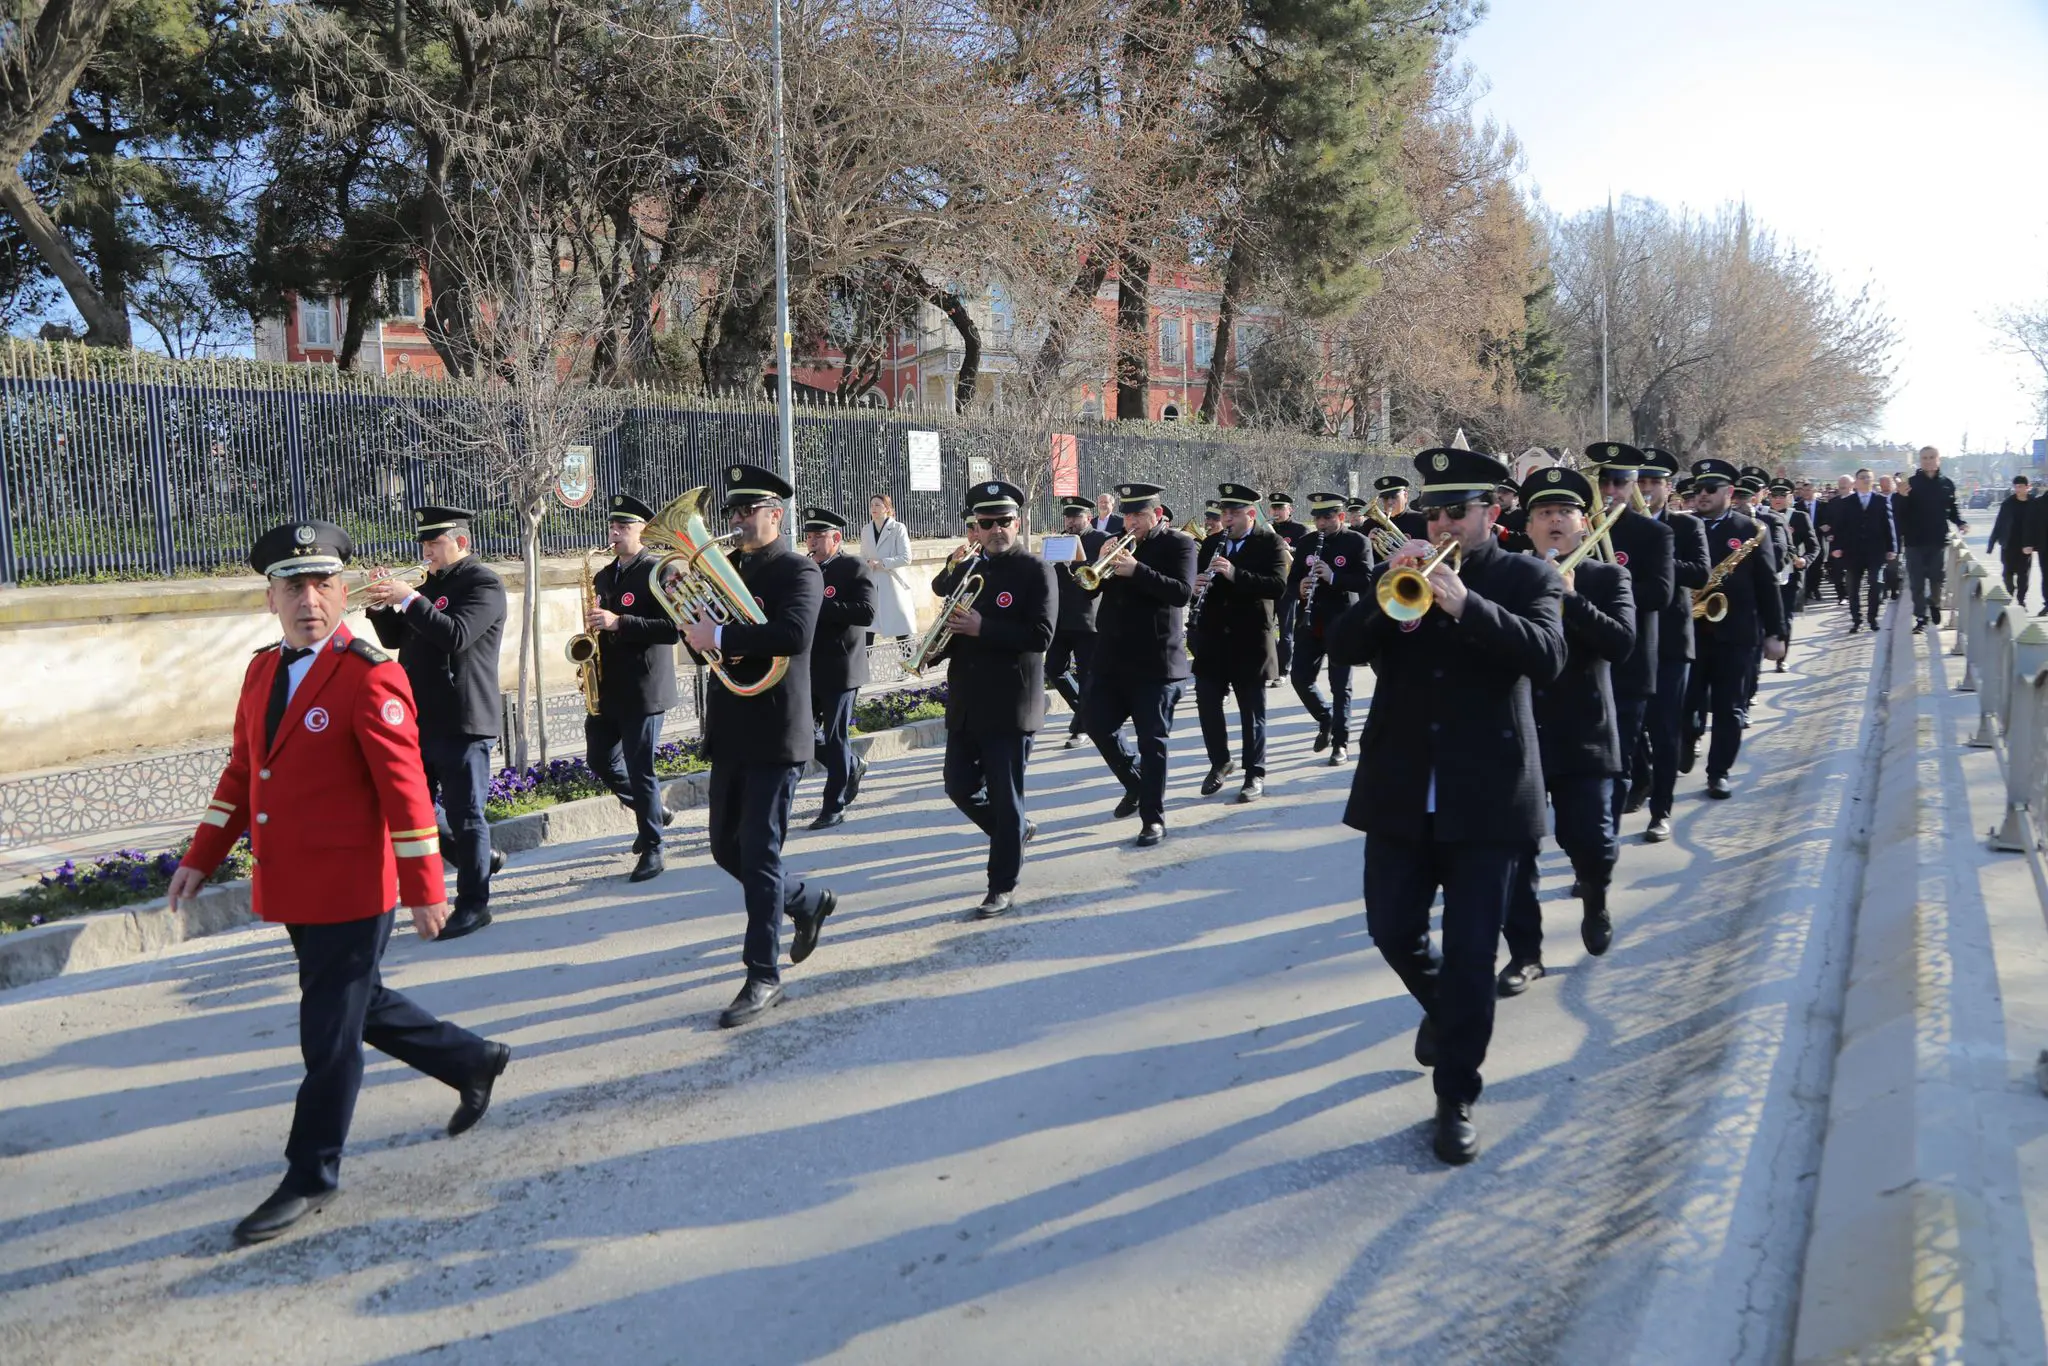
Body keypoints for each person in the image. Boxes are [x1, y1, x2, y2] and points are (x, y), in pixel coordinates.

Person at [168, 519, 508, 1245]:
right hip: (295, 884)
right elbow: (241, 772)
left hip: (356, 888)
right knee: (360, 1004)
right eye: (293, 586)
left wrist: (425, 888)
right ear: (271, 599)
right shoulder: (263, 671)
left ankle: (310, 1172)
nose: (309, 600)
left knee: (328, 1036)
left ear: (343, 592)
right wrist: (203, 854)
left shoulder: (367, 673)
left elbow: (406, 790)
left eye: (323, 584)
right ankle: (471, 1058)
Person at [1326, 446, 1566, 1166]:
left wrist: (1467, 604)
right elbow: (1340, 645)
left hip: (1488, 799)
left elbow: (1548, 656)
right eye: (1433, 512)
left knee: (1470, 957)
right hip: (1400, 791)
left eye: (1456, 512)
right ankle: (1446, 1011)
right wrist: (1385, 593)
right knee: (1392, 930)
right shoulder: (1400, 574)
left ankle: (1456, 1092)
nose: (1442, 524)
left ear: (1491, 512)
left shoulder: (1529, 575)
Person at [675, 465, 837, 1028]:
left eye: (749, 511)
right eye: (733, 512)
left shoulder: (799, 571)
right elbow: (707, 652)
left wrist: (717, 633)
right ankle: (804, 902)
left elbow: (793, 636)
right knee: (726, 849)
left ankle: (762, 975)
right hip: (731, 726)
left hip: (776, 729)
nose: (738, 522)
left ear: (778, 513)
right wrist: (693, 629)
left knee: (760, 853)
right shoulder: (724, 571)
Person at [1499, 467, 1635, 995]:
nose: (1554, 521)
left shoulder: (1608, 578)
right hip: (1521, 733)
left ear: (1584, 523)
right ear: (1527, 526)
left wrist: (1571, 598)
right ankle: (1526, 954)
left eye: (1564, 513)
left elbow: (1621, 644)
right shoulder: (1507, 575)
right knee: (1513, 853)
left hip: (1584, 731)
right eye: (1543, 514)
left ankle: (1595, 898)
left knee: (1594, 841)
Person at [364, 504, 508, 941]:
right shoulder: (432, 585)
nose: (426, 550)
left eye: (434, 542)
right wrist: (381, 606)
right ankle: (477, 860)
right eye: (424, 543)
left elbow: (455, 635)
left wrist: (409, 598)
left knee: (466, 815)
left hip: (463, 717)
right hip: (420, 716)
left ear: (460, 542)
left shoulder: (484, 583)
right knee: (414, 810)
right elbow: (397, 640)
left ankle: (473, 904)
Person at [939, 480, 1057, 918]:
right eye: (986, 523)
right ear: (975, 527)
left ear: (1017, 522)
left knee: (1006, 798)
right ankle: (1016, 831)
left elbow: (1041, 636)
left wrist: (982, 627)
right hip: (967, 700)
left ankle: (1001, 884)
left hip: (1010, 704)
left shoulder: (1035, 570)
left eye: (1003, 521)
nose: (995, 529)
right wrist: (937, 646)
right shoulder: (968, 571)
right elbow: (955, 627)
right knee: (958, 786)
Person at [1080, 481, 1197, 847]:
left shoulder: (1180, 543)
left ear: (1157, 515)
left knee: (1152, 742)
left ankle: (1153, 819)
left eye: (1139, 516)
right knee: (1097, 725)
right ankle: (1136, 783)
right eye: (1127, 515)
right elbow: (1090, 587)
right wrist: (1096, 560)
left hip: (1156, 662)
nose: (1130, 522)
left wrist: (1137, 569)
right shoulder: (1113, 541)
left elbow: (1182, 591)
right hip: (1112, 658)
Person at [584, 495, 681, 882]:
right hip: (609, 687)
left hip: (644, 686)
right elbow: (599, 625)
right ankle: (653, 811)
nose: (615, 532)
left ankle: (654, 848)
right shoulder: (604, 576)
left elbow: (672, 630)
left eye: (624, 526)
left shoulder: (659, 572)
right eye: (613, 526)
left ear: (643, 530)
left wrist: (619, 622)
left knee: (641, 770)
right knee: (600, 760)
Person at [1681, 459, 1787, 800]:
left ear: (1729, 492)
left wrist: (1776, 632)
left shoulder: (1751, 530)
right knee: (1685, 703)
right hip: (1690, 632)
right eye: (1698, 489)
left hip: (1737, 634)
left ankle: (1719, 772)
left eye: (1710, 489)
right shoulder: (1683, 526)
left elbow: (1768, 584)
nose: (1702, 495)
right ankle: (1688, 739)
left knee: (1730, 708)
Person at [1581, 444, 1673, 829]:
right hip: (1585, 658)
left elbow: (1661, 593)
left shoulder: (1655, 533)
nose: (1611, 490)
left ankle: (1606, 839)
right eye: (1604, 481)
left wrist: (1612, 591)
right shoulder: (1578, 526)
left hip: (1632, 659)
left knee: (1618, 754)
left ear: (1633, 486)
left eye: (1620, 482)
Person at [1192, 483, 1290, 802]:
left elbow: (1277, 586)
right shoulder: (1210, 544)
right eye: (1224, 513)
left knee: (1252, 711)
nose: (1227, 519)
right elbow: (1198, 583)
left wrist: (1235, 574)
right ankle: (1220, 762)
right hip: (1213, 639)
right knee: (1206, 703)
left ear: (1250, 514)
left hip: (1250, 640)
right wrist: (1197, 585)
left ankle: (1254, 774)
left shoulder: (1271, 543)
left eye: (1233, 514)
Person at [1634, 448, 1709, 843]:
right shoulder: (1617, 526)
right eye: (1641, 482)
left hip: (1670, 640)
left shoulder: (1686, 527)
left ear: (1668, 488)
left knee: (1664, 730)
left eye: (1654, 483)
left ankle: (1660, 811)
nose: (1646, 490)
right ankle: (1642, 779)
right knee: (1630, 728)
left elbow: (1700, 573)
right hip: (1629, 638)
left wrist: (1660, 560)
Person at [803, 508, 875, 830]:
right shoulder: (804, 569)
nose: (813, 542)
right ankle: (852, 764)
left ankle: (834, 805)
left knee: (834, 737)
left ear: (836, 538)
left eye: (820, 537)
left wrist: (820, 606)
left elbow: (867, 612)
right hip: (808, 666)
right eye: (810, 536)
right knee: (802, 733)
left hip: (842, 666)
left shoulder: (853, 566)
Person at [1288, 492, 1372, 765]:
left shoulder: (1357, 542)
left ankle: (1341, 743)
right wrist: (1300, 588)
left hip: (1343, 622)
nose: (1321, 523)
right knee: (1300, 678)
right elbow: (1291, 582)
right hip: (1310, 622)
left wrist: (1334, 577)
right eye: (1317, 518)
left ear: (1341, 517)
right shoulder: (1306, 543)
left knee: (1341, 686)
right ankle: (1326, 717)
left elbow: (1367, 581)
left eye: (1327, 517)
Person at [1047, 497, 1109, 748]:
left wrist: (1075, 563)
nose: (1071, 522)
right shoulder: (1059, 539)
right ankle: (1087, 715)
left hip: (1087, 618)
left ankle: (1082, 728)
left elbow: (1098, 574)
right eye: (1068, 517)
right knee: (1053, 669)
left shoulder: (1101, 539)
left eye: (1076, 517)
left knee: (1087, 675)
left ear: (1088, 517)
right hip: (1060, 618)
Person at [1899, 445, 1966, 632]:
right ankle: (1921, 617)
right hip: (1914, 541)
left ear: (1939, 459)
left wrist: (1960, 522)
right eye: (1924, 458)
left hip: (1937, 540)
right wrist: (1902, 497)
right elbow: (1899, 512)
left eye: (1931, 457)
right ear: (1920, 461)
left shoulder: (1947, 484)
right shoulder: (1910, 483)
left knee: (1937, 578)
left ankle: (1934, 603)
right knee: (1917, 582)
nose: (1928, 460)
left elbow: (1952, 510)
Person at [1829, 467, 1899, 633]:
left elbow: (1889, 526)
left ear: (1872, 481)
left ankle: (1872, 618)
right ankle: (1856, 621)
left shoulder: (1881, 501)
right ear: (1856, 482)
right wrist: (1836, 547)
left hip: (1875, 551)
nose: (1866, 480)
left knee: (1876, 583)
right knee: (1853, 587)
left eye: (1868, 478)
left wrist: (1892, 548)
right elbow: (1839, 527)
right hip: (1853, 552)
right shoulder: (1847, 502)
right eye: (1862, 477)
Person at [860, 493, 917, 649]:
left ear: (887, 508)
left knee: (901, 628)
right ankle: (864, 667)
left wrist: (883, 563)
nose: (873, 508)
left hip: (893, 583)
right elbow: (863, 555)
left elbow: (906, 557)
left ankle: (909, 664)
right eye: (872, 505)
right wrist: (867, 563)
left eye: (878, 505)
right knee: (868, 627)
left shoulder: (898, 528)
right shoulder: (866, 530)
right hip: (873, 583)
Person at [1771, 480, 1817, 669]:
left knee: (1785, 617)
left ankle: (1782, 659)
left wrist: (1805, 560)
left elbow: (1814, 546)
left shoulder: (1799, 517)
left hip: (1790, 575)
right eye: (1775, 496)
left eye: (1783, 496)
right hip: (1767, 575)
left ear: (1790, 497)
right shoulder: (1762, 515)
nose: (1778, 500)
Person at [1267, 493, 1308, 682]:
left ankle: (1283, 671)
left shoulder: (1300, 530)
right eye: (1274, 508)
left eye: (1280, 508)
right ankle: (1271, 665)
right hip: (1268, 585)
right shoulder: (1265, 529)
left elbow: (1307, 555)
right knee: (1265, 629)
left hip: (1287, 587)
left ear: (1289, 509)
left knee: (1285, 632)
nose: (1276, 512)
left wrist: (1289, 549)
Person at [1991, 476, 2037, 608]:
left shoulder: (2034, 503)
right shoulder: (2007, 503)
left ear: (2028, 487)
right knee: (2007, 572)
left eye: (2021, 486)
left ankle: (2021, 600)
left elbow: (2039, 524)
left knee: (2023, 574)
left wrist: (2036, 543)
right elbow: (1999, 523)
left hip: (2025, 545)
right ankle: (2010, 591)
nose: (2018, 489)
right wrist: (1992, 542)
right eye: (2016, 486)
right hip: (2008, 543)